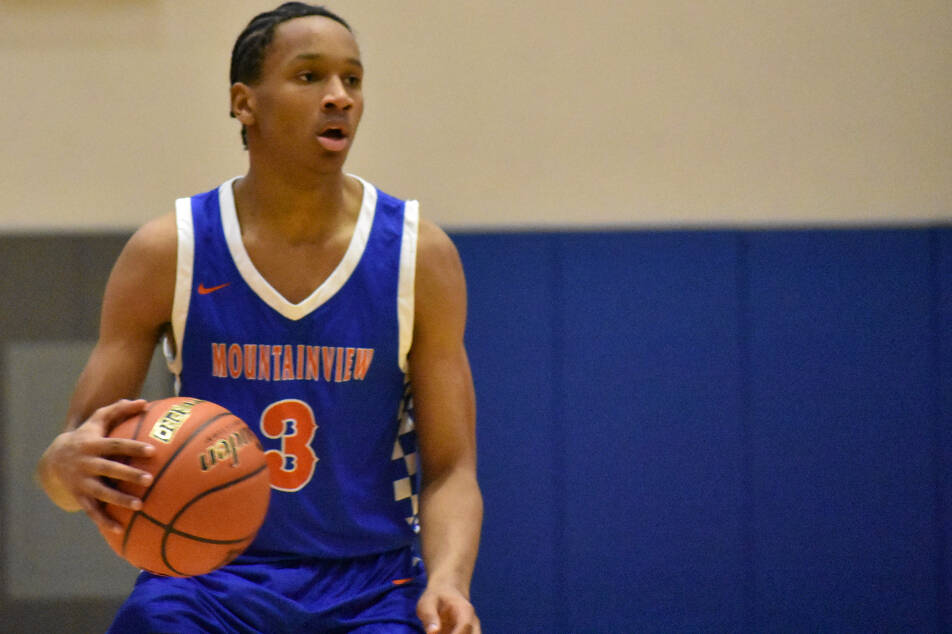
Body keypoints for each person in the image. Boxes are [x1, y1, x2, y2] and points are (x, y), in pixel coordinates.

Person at [35, 3, 483, 632]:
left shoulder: (417, 256)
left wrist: (448, 582)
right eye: (310, 77)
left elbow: (452, 469)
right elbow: (76, 459)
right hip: (204, 580)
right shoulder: (172, 251)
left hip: (371, 585)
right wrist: (61, 465)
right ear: (244, 103)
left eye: (352, 80)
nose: (339, 98)